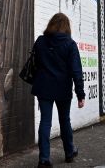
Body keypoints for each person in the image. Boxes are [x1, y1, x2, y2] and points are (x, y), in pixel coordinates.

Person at [31, 13, 85, 168]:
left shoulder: (41, 42)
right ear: (66, 27)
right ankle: (69, 153)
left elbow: (34, 63)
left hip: (44, 87)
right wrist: (80, 94)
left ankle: (44, 159)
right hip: (62, 88)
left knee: (45, 121)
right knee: (64, 120)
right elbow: (76, 71)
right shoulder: (70, 44)